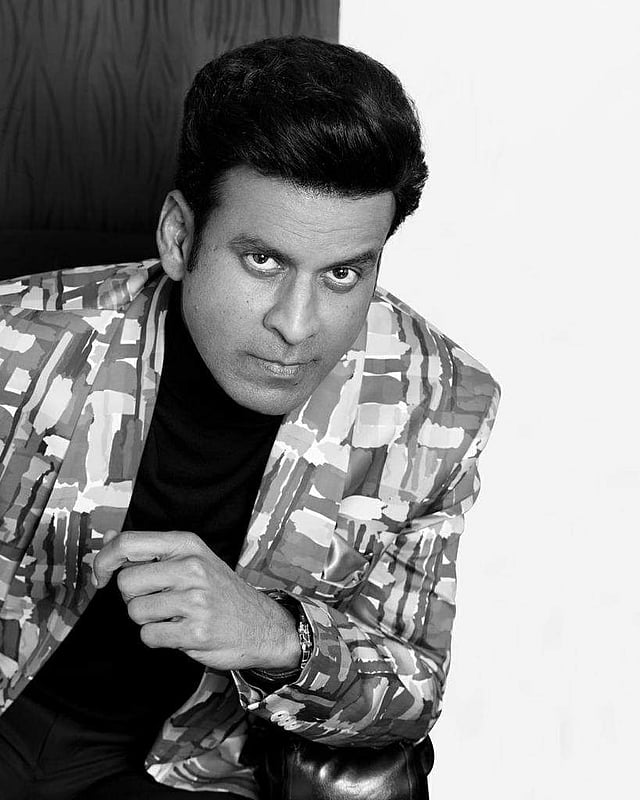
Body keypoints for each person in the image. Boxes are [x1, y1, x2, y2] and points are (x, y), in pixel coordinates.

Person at [0, 36, 499, 799]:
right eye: (263, 260)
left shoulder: (435, 403)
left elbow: (414, 690)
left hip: (176, 772)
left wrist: (274, 634)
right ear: (179, 238)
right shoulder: (20, 344)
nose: (296, 325)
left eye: (343, 273)